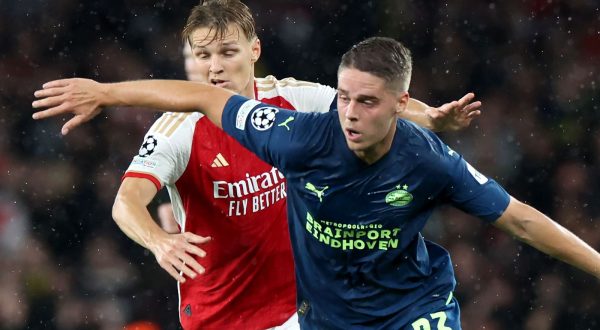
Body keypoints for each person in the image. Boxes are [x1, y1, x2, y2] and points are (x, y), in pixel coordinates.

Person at [33, 36, 600, 329]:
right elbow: (205, 98)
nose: (349, 113)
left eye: (367, 102)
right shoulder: (299, 136)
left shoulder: (430, 161)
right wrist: (106, 92)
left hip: (412, 306)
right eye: (344, 96)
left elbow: (520, 218)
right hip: (326, 319)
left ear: (400, 105)